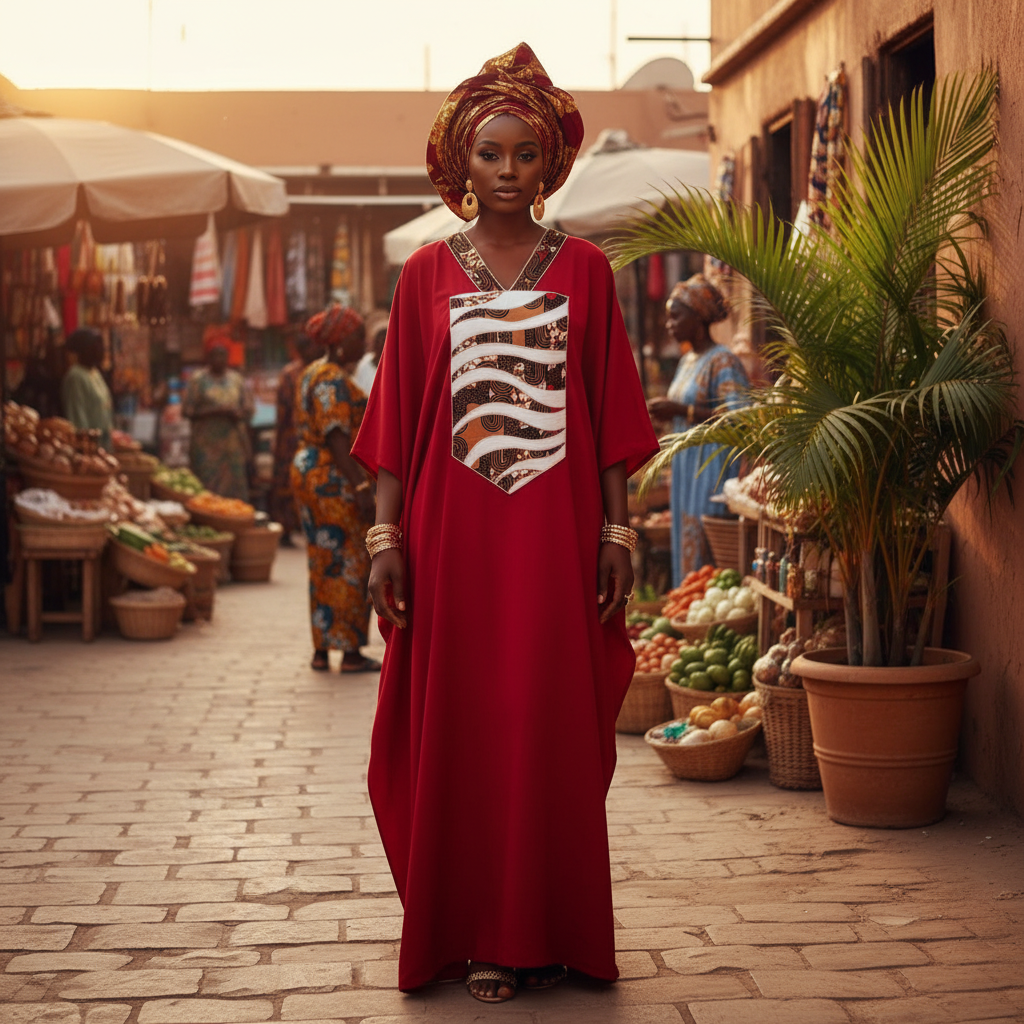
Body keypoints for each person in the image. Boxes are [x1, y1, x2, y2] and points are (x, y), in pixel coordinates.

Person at [351, 43, 658, 1004]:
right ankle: (482, 932)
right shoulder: (423, 278)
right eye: (491, 154)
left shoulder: (591, 272)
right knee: (469, 730)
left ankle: (555, 930)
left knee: (550, 729)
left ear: (548, 161)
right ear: (459, 163)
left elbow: (610, 416)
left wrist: (616, 534)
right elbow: (398, 418)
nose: (509, 171)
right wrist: (385, 540)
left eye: (526, 154)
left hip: (555, 541)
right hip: (451, 546)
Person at [291, 304, 378, 674]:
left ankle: (323, 650)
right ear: (342, 342)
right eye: (358, 336)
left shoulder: (314, 372)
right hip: (333, 479)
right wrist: (360, 485)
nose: (363, 343)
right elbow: (337, 436)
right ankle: (351, 652)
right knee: (350, 561)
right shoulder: (330, 379)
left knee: (324, 561)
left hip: (314, 474)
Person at [647, 275, 749, 584]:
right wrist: (667, 416)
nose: (669, 324)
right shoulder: (687, 361)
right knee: (687, 544)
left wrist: (681, 410)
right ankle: (689, 616)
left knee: (710, 549)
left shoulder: (724, 360)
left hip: (712, 468)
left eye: (676, 316)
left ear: (699, 317)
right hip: (685, 467)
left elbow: (738, 417)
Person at [182, 341, 254, 500]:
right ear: (209, 358)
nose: (220, 360)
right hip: (206, 448)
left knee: (234, 492)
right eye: (216, 356)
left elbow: (248, 409)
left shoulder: (236, 380)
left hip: (232, 446)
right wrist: (215, 411)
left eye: (223, 356)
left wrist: (237, 413)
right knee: (207, 493)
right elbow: (187, 411)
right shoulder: (198, 380)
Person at [269, 332, 322, 544]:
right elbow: (282, 410)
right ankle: (287, 529)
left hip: (310, 436)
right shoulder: (290, 374)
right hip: (292, 436)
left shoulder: (318, 371)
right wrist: (279, 437)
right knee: (286, 484)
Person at [61, 328, 113, 450]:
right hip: (88, 449)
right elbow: (77, 418)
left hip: (104, 447)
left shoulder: (95, 373)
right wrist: (86, 446)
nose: (101, 350)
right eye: (96, 345)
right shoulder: (75, 376)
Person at [352, 311, 388, 395]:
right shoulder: (363, 364)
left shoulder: (396, 365)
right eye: (379, 340)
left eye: (385, 340)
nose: (382, 344)